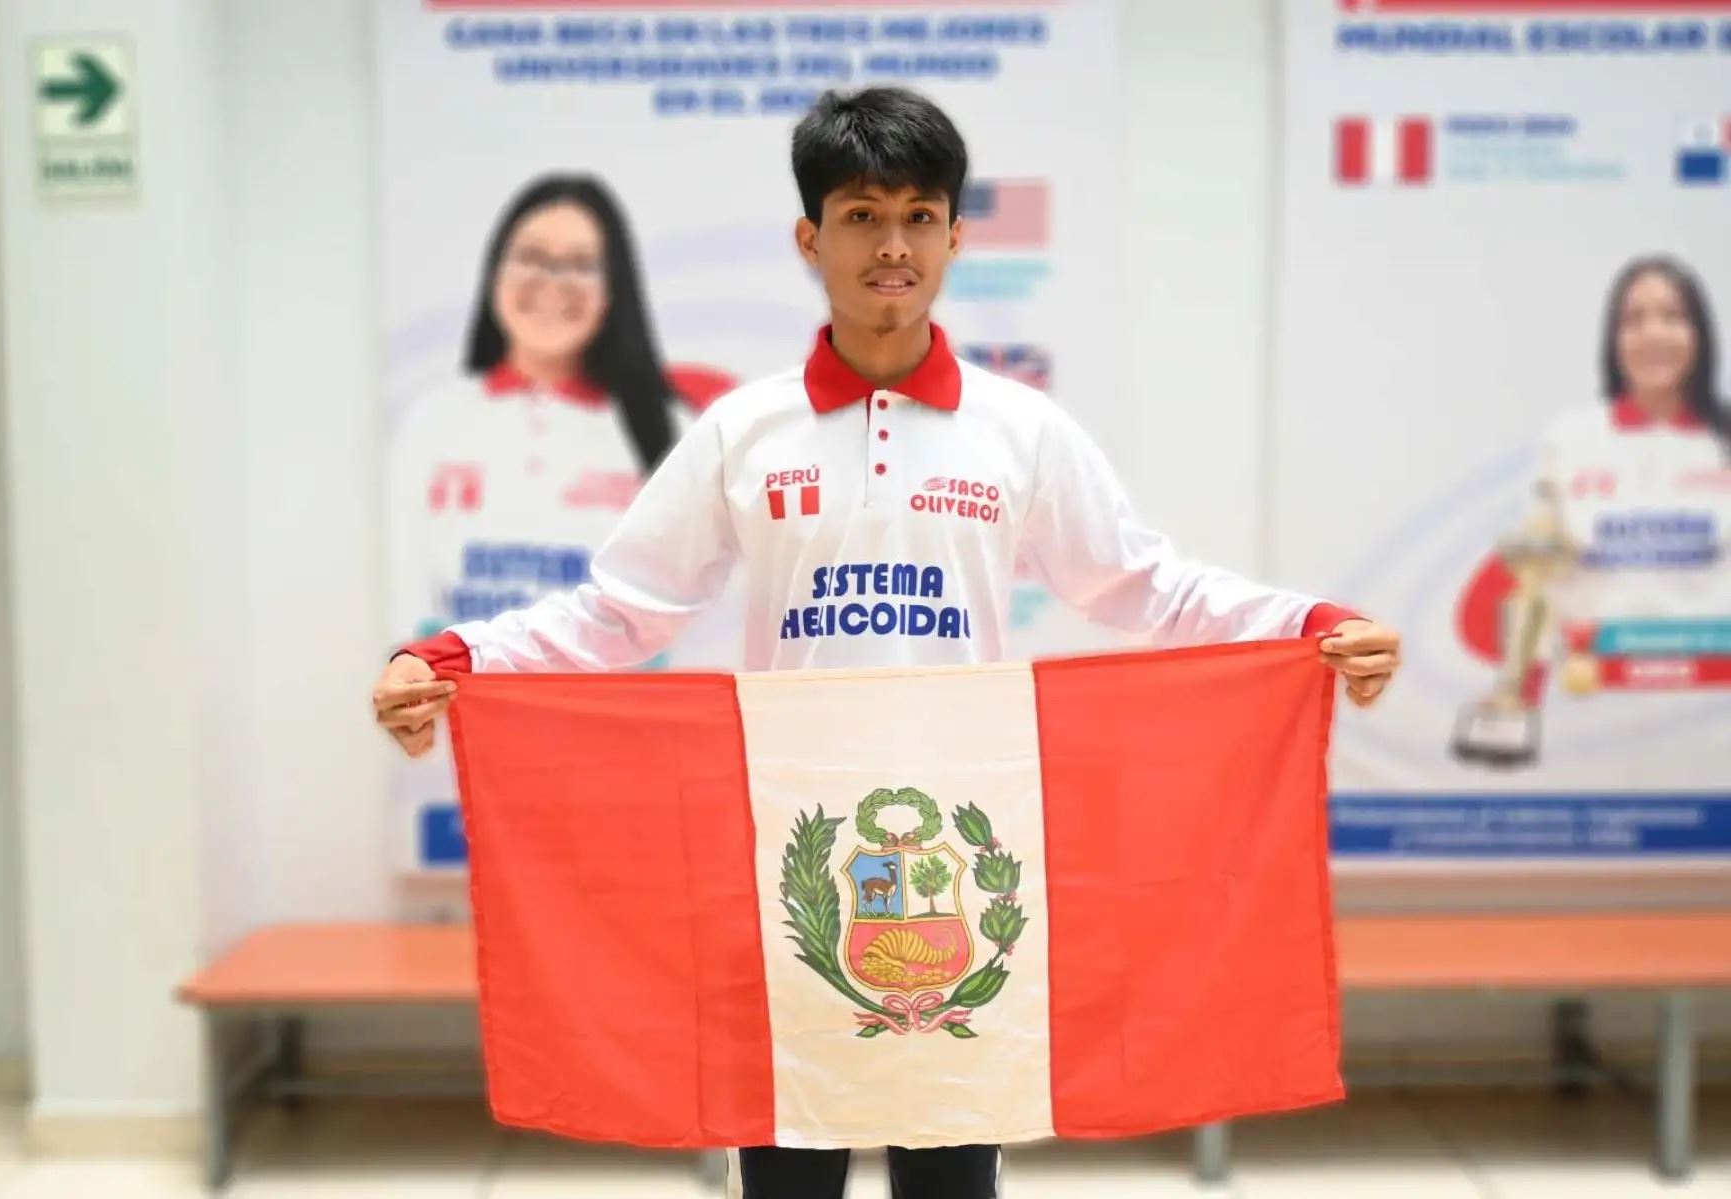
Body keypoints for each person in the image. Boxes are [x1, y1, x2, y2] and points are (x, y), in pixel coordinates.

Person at [372, 87, 1401, 1199]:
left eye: (920, 214)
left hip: (965, 864)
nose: (893, 244)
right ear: (810, 237)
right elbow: (617, 610)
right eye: (862, 215)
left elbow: (1144, 587)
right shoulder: (743, 432)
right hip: (795, 863)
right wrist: (455, 655)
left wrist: (1308, 625)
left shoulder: (1021, 429)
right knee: (790, 1173)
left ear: (958, 235)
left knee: (951, 1174)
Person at [387, 173, 734, 647]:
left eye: (580, 264)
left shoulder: (669, 427)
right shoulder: (434, 421)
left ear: (614, 288)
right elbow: (406, 597)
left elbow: (695, 612)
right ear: (495, 271)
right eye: (531, 257)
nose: (551, 282)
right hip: (468, 708)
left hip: (612, 713)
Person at [1451, 256, 1731, 769]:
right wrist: (1519, 698)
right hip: (1592, 704)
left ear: (1700, 333)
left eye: (1672, 316)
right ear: (1613, 337)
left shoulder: (1726, 441)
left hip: (1713, 711)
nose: (1653, 334)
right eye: (1634, 319)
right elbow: (1539, 584)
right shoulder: (1572, 439)